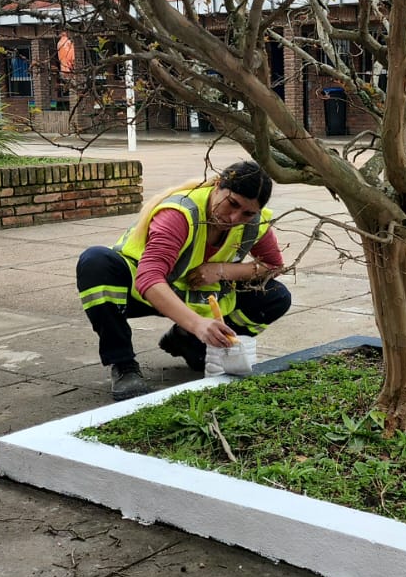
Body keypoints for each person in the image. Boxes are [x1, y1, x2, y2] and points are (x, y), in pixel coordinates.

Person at [77, 161, 291, 399]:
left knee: (275, 296)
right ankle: (123, 365)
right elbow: (149, 278)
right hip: (144, 293)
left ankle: (189, 343)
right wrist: (198, 324)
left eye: (247, 213)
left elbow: (273, 265)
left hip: (199, 296)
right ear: (218, 185)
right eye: (232, 204)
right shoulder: (180, 214)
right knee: (95, 263)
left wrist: (221, 270)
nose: (233, 217)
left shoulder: (253, 223)